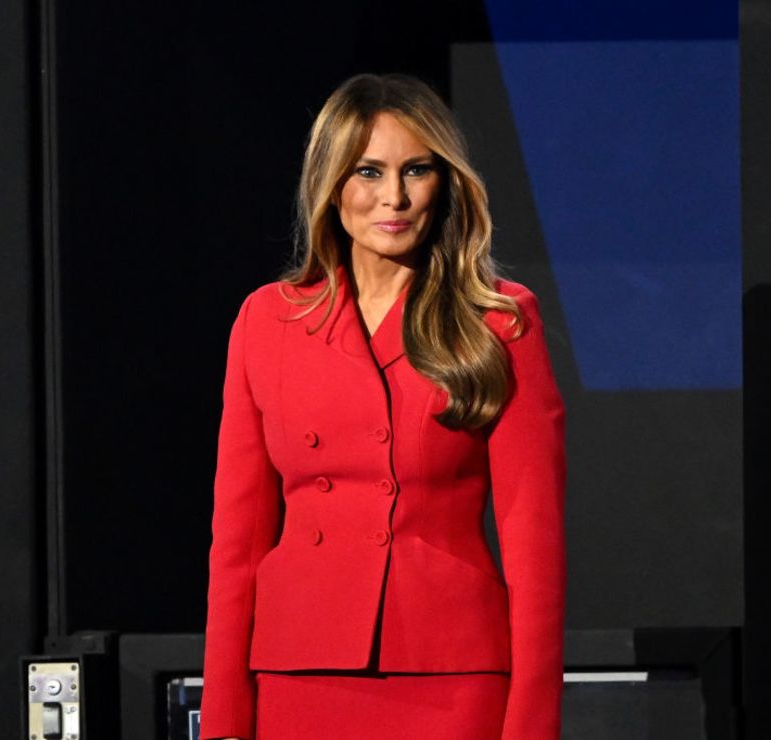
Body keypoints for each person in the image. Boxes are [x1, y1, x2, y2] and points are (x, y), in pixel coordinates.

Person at [199, 73, 566, 740]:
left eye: (416, 170)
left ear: (444, 182)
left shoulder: (500, 321)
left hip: (450, 675)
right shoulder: (266, 322)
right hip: (296, 673)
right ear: (332, 183)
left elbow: (533, 540)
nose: (393, 197)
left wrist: (532, 725)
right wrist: (224, 718)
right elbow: (237, 541)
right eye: (368, 171)